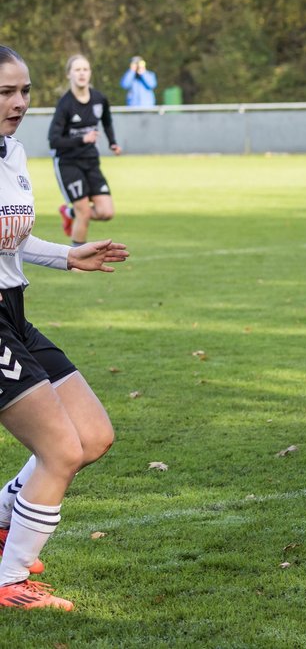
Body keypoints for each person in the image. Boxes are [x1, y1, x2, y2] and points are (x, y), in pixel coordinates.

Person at [0, 45, 130, 611]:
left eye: (25, 90)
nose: (20, 103)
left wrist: (69, 255)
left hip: (15, 311)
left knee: (93, 436)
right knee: (60, 450)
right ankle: (9, 582)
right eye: (6, 92)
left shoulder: (13, 153)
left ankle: (5, 525)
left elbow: (16, 236)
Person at [49, 55, 121, 245]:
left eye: (85, 69)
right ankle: (76, 258)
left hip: (90, 161)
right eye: (77, 70)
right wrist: (82, 139)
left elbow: (107, 120)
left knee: (106, 212)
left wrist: (112, 142)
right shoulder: (65, 104)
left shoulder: (99, 99)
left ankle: (68, 212)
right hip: (68, 163)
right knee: (85, 212)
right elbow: (53, 140)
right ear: (69, 75)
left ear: (90, 73)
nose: (82, 73)